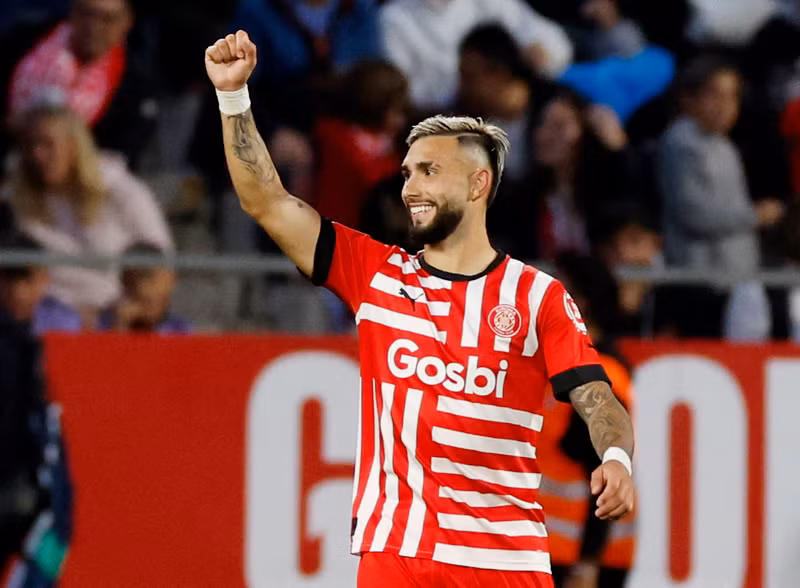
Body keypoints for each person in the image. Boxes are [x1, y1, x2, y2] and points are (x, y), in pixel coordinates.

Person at [206, 30, 634, 587]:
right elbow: (266, 201)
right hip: (396, 556)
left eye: (429, 171)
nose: (409, 187)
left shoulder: (536, 297)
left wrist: (617, 461)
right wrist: (234, 97)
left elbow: (596, 395)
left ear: (479, 184)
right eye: (407, 172)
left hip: (502, 564)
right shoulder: (375, 274)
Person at [6, 103, 173, 326]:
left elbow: (162, 260)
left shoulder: (121, 192)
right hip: (45, 317)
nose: (37, 154)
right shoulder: (17, 200)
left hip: (115, 314)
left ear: (74, 146)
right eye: (31, 145)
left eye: (47, 144)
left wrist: (129, 309)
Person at [538, 252, 636, 588]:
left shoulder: (602, 377)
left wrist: (588, 562)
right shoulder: (566, 364)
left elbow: (601, 470)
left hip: (576, 550)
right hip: (555, 544)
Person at [97, 242, 189, 334]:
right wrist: (121, 324)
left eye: (151, 280)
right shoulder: (107, 319)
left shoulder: (178, 328)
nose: (142, 289)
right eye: (132, 282)